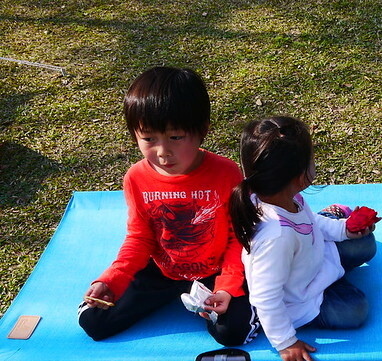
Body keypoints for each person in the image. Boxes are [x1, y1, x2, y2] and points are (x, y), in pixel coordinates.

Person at [78, 67, 259, 346]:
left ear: (201, 132)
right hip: (162, 271)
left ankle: (251, 306)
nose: (163, 152)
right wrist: (112, 280)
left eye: (175, 137)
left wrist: (227, 286)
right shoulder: (136, 177)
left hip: (214, 272)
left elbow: (239, 238)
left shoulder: (226, 173)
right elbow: (139, 238)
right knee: (94, 322)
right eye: (149, 139)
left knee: (232, 332)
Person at [230, 116, 377, 361]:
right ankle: (333, 276)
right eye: (312, 159)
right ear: (300, 175)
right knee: (355, 311)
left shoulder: (288, 196)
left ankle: (335, 218)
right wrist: (285, 341)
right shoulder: (275, 237)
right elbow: (265, 298)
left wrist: (344, 231)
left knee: (365, 244)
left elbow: (312, 224)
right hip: (301, 299)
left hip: (312, 260)